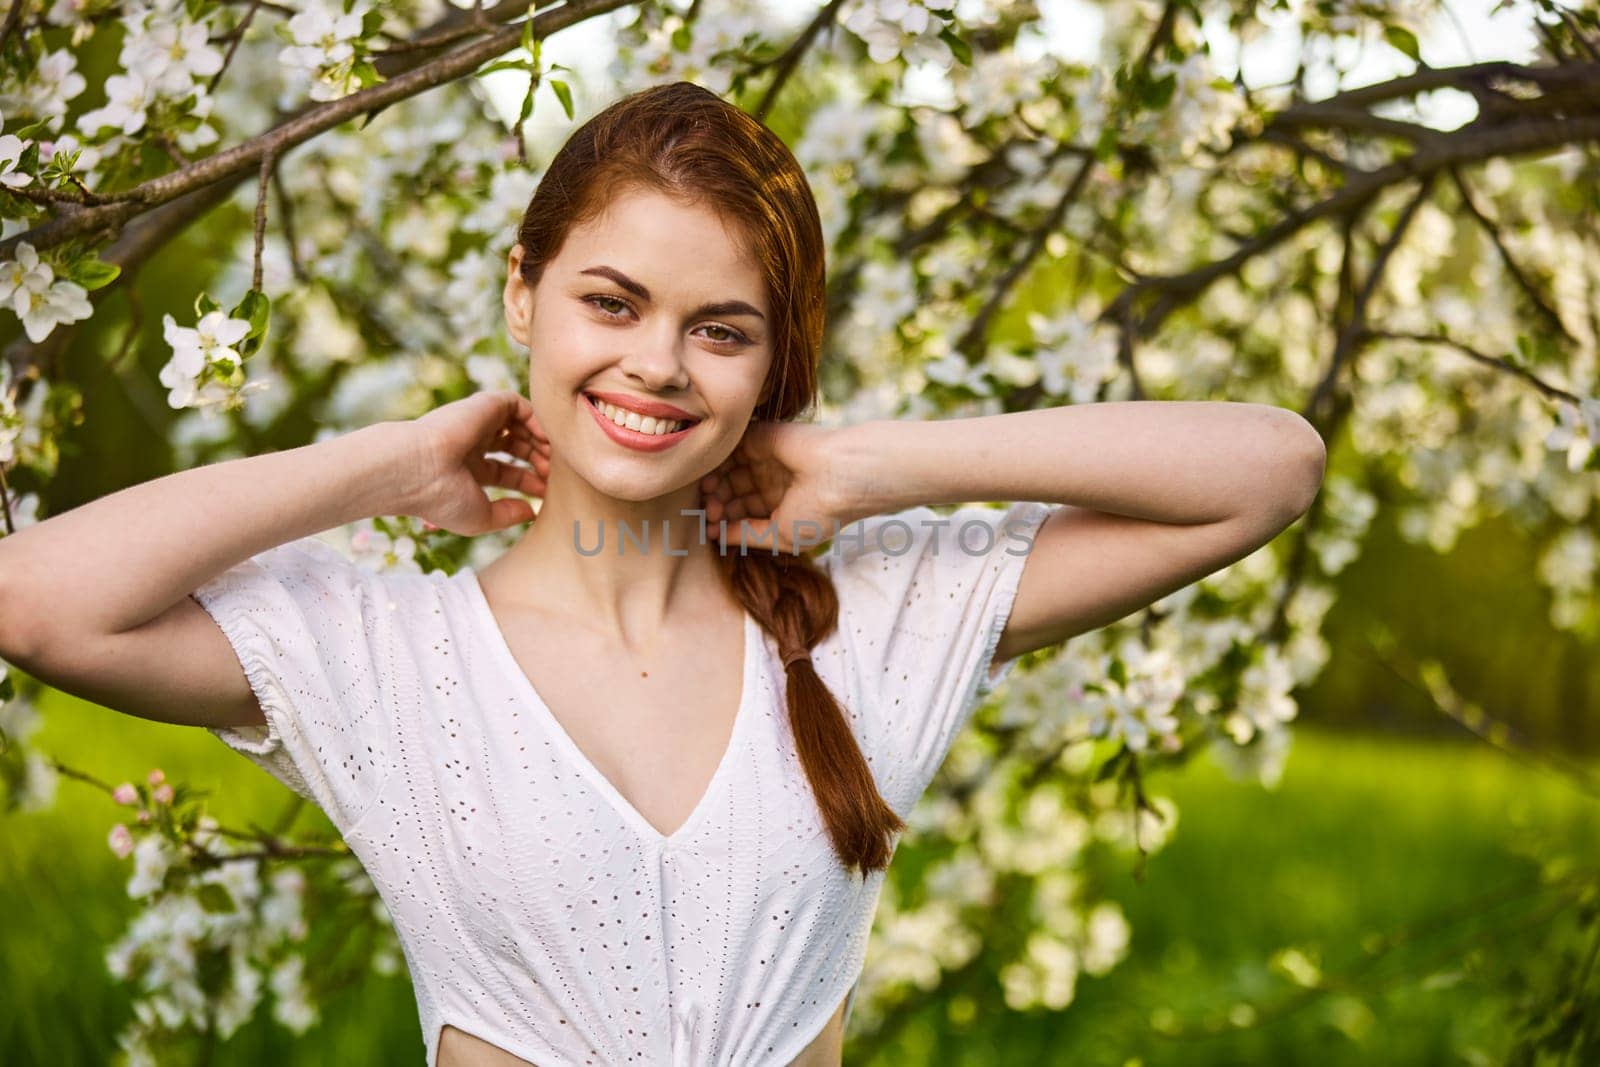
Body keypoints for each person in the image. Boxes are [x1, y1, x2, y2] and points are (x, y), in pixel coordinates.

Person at [0, 81, 1325, 1066]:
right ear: (525, 295)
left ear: (771, 362)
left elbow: (1267, 469)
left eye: (721, 330)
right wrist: (388, 467)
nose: (658, 367)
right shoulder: (388, 658)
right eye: (613, 303)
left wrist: (875, 467)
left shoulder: (872, 624)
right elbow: (34, 602)